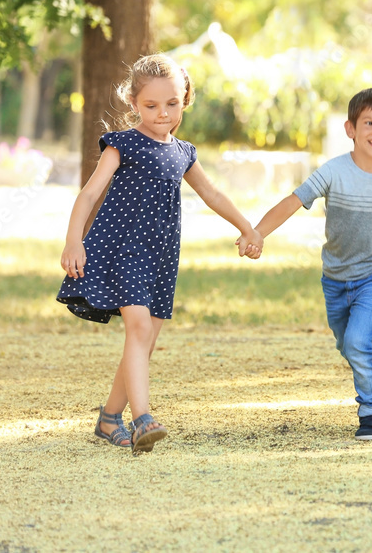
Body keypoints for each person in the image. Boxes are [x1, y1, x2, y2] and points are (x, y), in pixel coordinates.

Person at [57, 53, 263, 454]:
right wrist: (73, 240)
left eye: (172, 104)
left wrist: (247, 227)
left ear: (185, 99)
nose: (162, 113)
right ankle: (143, 419)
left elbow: (212, 193)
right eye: (151, 105)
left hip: (161, 256)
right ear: (134, 103)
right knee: (136, 331)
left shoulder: (184, 152)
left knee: (145, 340)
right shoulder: (122, 144)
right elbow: (89, 194)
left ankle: (108, 418)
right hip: (123, 251)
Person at [252, 87, 372, 441]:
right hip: (336, 280)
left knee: (359, 341)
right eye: (369, 123)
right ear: (351, 129)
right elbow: (292, 202)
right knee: (348, 345)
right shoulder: (333, 171)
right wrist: (258, 232)